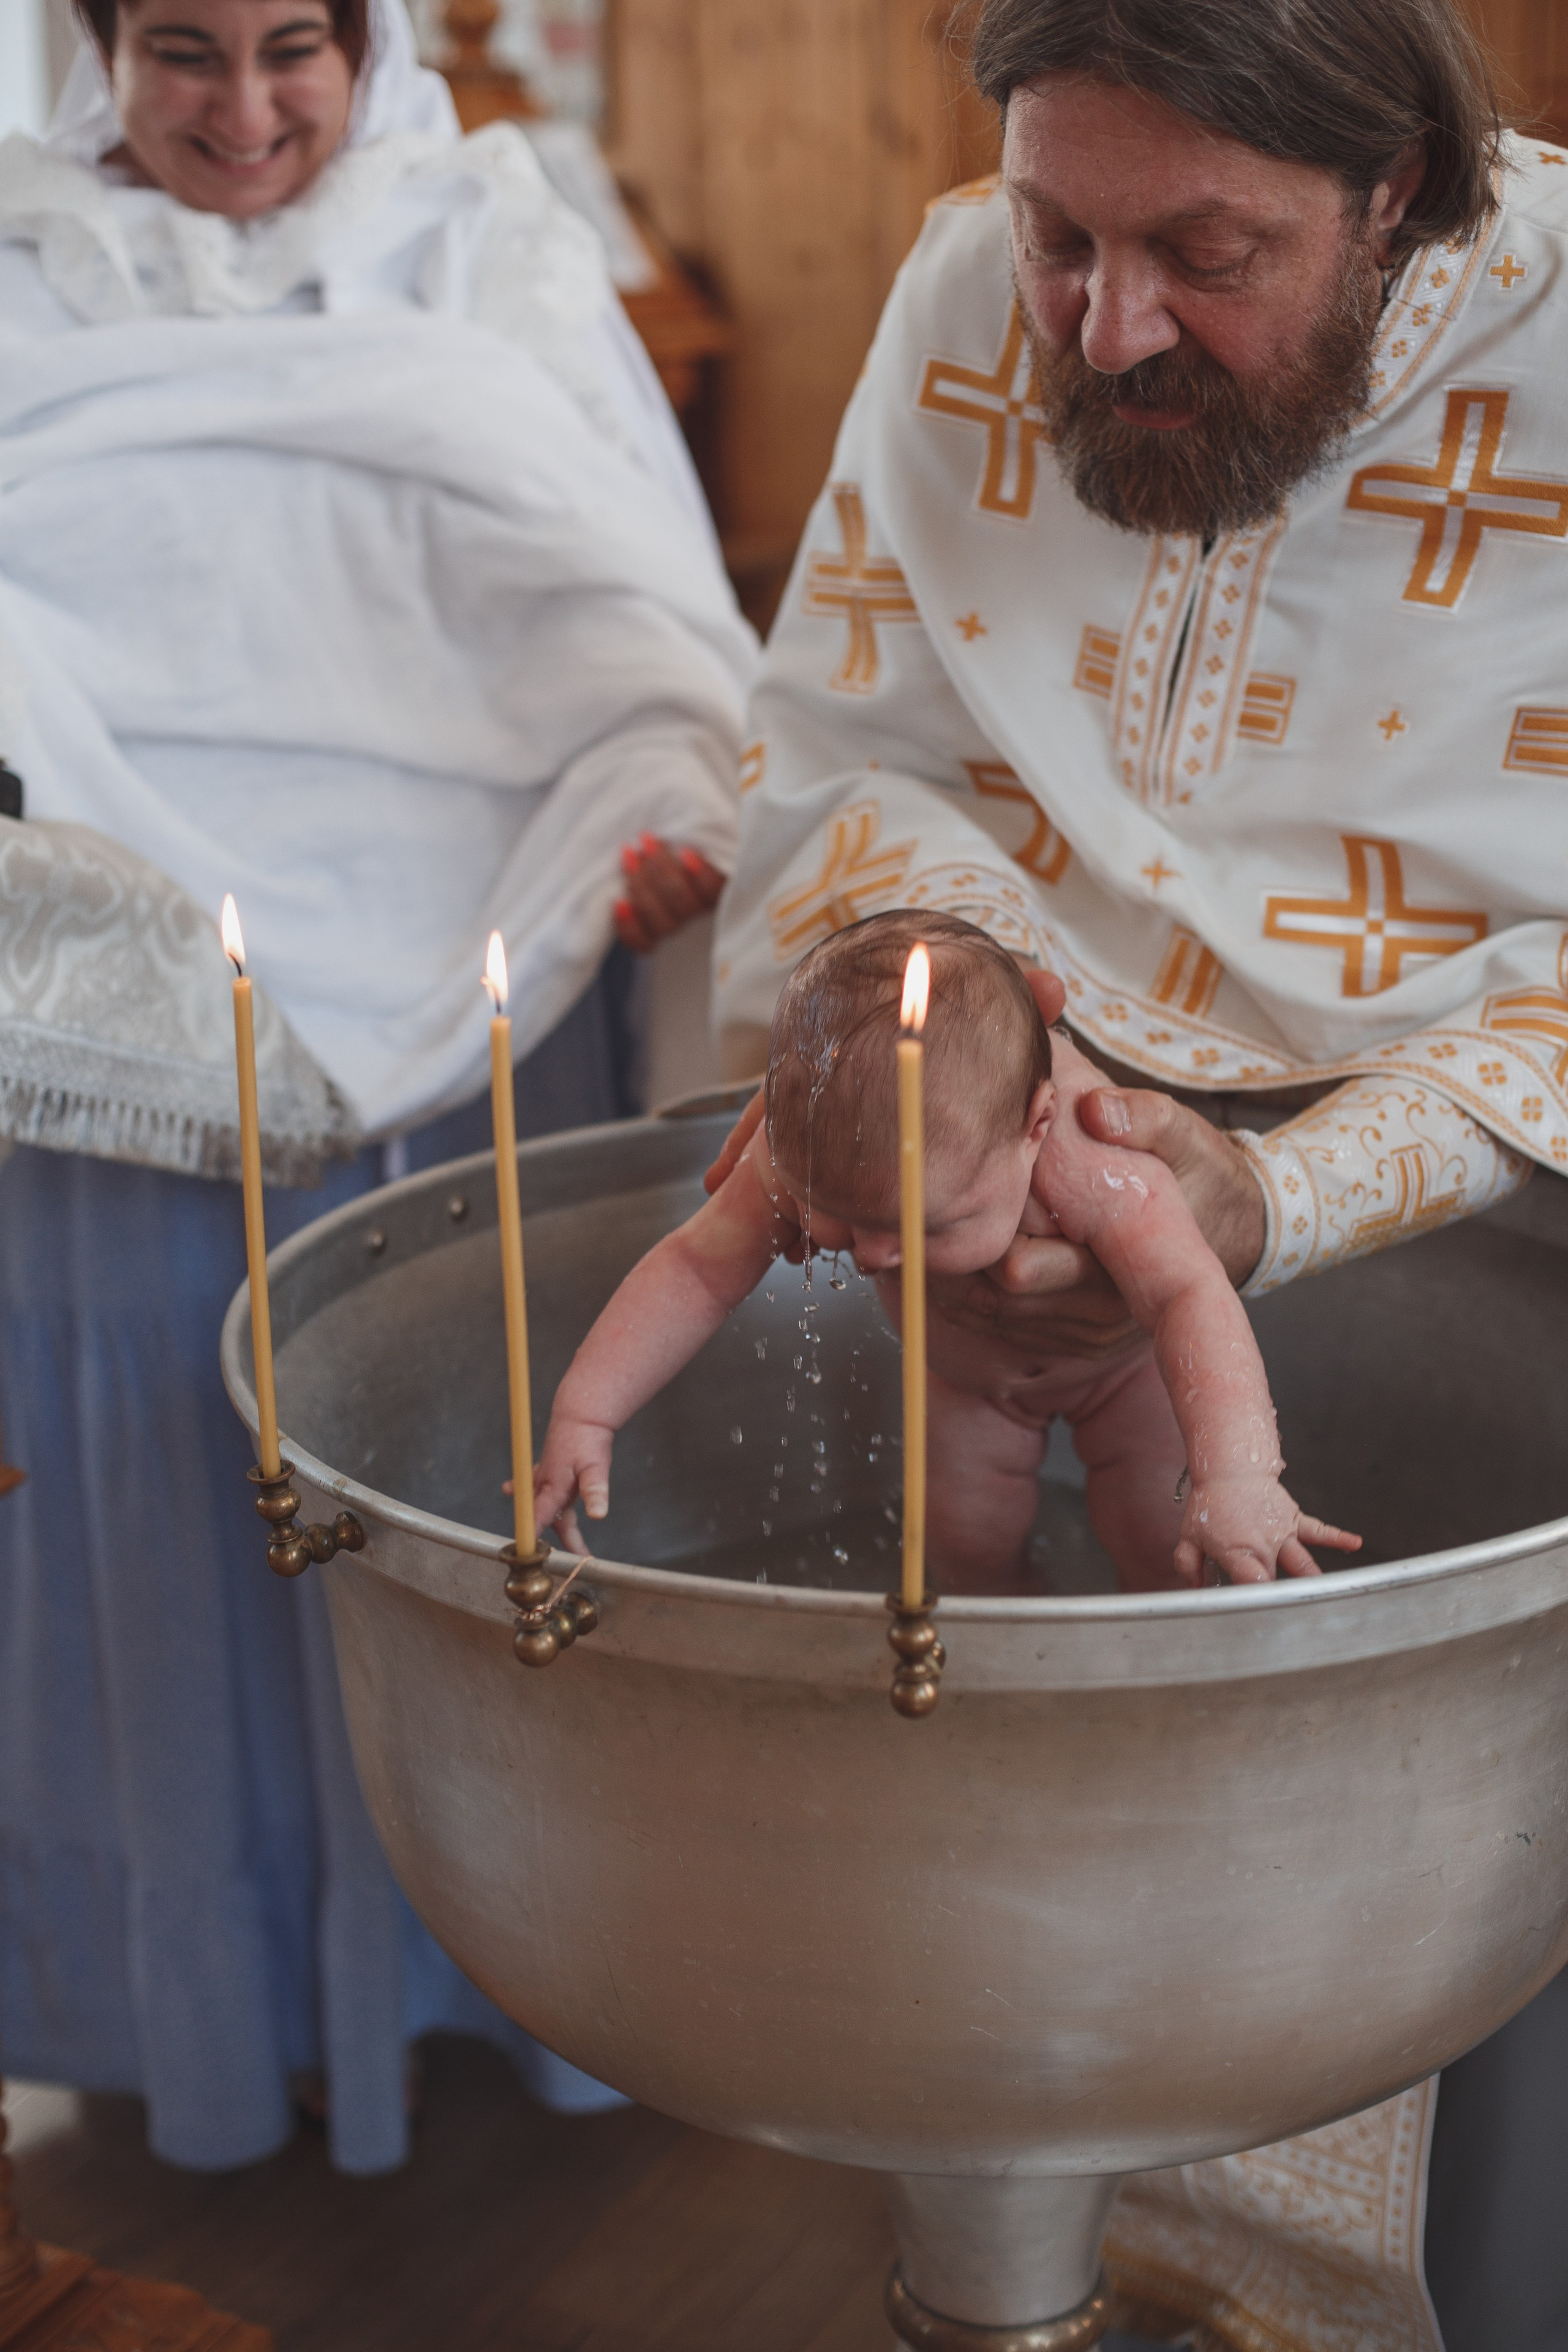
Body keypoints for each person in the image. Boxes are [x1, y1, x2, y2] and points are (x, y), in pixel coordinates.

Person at [706, 1, 1566, 2342]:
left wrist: (1275, 1198)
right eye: (1056, 230)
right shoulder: (952, 297)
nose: (1101, 325)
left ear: (1400, 184)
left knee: (1453, 2019)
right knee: (1038, 1950)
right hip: (1021, 1166)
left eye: (1205, 249)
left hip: (1485, 1205)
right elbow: (843, 752)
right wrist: (971, 1093)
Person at [0, 0, 755, 2174]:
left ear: (371, 42)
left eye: (290, 53)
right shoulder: (28, 256)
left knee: (444, 1475)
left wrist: (658, 798)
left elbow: (629, 607)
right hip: (143, 1013)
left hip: (476, 986)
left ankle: (502, 1968)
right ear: (96, 47)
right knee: (174, 1493)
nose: (245, 117)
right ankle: (206, 2009)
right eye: (183, 56)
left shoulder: (483, 235)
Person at [537, 908, 1362, 1591]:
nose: (874, 1256)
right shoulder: (814, 1142)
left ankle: (1171, 1673)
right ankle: (995, 1664)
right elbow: (694, 1268)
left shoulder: (1087, 1154)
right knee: (961, 1543)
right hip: (967, 1381)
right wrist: (586, 1414)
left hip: (1125, 1372)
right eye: (843, 1218)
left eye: (925, 1225)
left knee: (1159, 1534)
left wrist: (1239, 1477)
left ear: (1032, 1129)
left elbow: (1189, 1294)